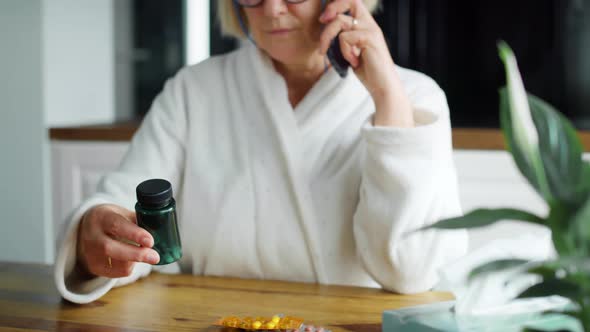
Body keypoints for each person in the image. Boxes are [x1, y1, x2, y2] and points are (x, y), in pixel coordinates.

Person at [54, 0, 468, 304]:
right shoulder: (194, 90)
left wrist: (386, 96)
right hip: (210, 323)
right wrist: (95, 236)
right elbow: (128, 209)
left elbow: (410, 270)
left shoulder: (412, 96)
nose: (271, 10)